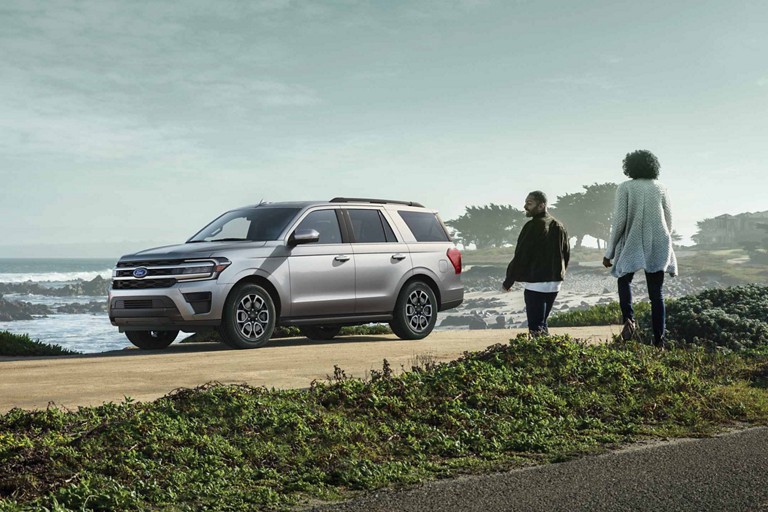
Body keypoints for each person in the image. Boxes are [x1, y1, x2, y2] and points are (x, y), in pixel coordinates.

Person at [603, 150, 677, 348]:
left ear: (630, 166)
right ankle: (659, 341)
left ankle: (630, 320)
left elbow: (619, 221)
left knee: (624, 279)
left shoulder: (625, 188)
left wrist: (609, 252)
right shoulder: (661, 188)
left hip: (632, 241)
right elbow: (669, 222)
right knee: (656, 294)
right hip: (659, 241)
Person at [502, 191, 570, 336]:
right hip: (555, 282)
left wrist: (509, 280)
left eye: (529, 203)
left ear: (541, 205)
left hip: (537, 282)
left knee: (535, 327)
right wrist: (561, 273)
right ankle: (548, 354)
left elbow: (521, 255)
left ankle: (539, 355)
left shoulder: (533, 225)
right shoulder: (559, 225)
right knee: (542, 323)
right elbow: (566, 253)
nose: (525, 206)